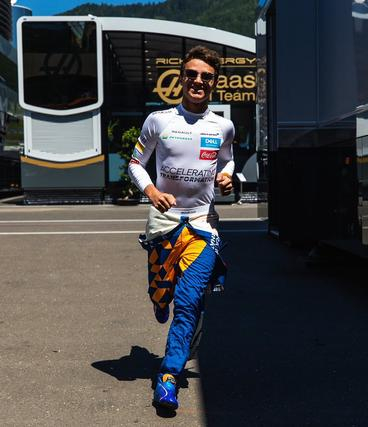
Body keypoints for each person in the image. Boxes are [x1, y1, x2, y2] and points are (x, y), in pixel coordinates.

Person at [128, 45, 234, 410]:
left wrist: (227, 176)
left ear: (214, 83)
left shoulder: (223, 126)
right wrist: (152, 191)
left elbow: (228, 160)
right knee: (162, 296)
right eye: (192, 74)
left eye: (206, 76)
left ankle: (168, 376)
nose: (198, 81)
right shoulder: (159, 121)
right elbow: (136, 163)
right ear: (181, 77)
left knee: (188, 302)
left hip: (203, 224)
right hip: (164, 224)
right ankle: (160, 296)